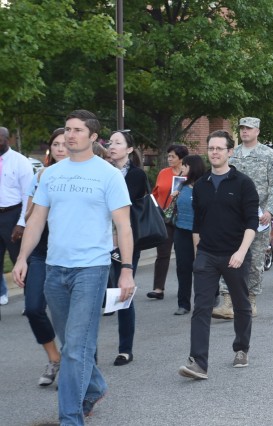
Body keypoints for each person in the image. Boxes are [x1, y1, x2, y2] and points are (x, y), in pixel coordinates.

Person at [13, 110, 135, 423]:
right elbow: (37, 219)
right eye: (67, 129)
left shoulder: (108, 175)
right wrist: (23, 257)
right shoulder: (50, 175)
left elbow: (123, 226)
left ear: (94, 137)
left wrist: (126, 269)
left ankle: (70, 417)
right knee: (72, 346)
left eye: (78, 130)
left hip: (91, 270)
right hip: (55, 269)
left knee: (77, 347)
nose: (70, 135)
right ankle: (94, 387)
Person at [178, 130, 258, 379]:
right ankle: (198, 363)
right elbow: (197, 225)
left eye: (219, 148)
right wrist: (197, 255)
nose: (214, 152)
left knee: (241, 304)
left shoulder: (243, 183)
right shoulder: (200, 185)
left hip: (235, 254)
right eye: (211, 148)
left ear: (230, 152)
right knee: (201, 307)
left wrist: (241, 252)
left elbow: (251, 223)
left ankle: (241, 348)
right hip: (207, 255)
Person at [212, 117, 273, 319]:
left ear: (257, 131)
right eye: (242, 128)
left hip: (258, 216)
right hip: (232, 216)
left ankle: (250, 300)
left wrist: (270, 210)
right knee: (228, 255)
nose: (245, 132)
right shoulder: (232, 155)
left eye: (249, 128)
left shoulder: (268, 155)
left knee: (253, 259)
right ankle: (227, 302)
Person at [18, 128, 67, 386]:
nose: (60, 148)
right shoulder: (41, 176)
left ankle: (78, 363)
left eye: (64, 144)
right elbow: (28, 217)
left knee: (69, 313)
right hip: (41, 251)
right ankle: (54, 357)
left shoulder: (81, 176)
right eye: (55, 144)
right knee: (34, 308)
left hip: (70, 254)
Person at [107, 130, 149, 366]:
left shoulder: (135, 175)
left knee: (122, 292)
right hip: (99, 239)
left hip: (125, 238)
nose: (112, 146)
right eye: (110, 142)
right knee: (102, 292)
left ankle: (125, 349)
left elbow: (121, 206)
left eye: (118, 142)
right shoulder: (101, 171)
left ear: (130, 149)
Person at [147, 144, 189, 300]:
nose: (169, 159)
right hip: (165, 217)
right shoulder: (163, 173)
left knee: (183, 255)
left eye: (172, 156)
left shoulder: (188, 174)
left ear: (181, 158)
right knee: (162, 253)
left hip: (183, 217)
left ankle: (184, 289)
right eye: (168, 156)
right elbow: (155, 193)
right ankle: (158, 288)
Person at [0, 126, 33, 306]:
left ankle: (31, 297)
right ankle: (1, 292)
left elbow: (27, 196)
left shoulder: (20, 162)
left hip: (13, 214)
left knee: (19, 258)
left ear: (8, 140)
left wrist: (21, 223)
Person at [172, 154, 206, 315]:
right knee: (183, 267)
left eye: (184, 165)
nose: (182, 168)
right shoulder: (181, 185)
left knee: (203, 267)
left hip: (202, 232)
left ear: (192, 167)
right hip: (181, 230)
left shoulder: (206, 185)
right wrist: (173, 198)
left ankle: (208, 297)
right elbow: (172, 207)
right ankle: (183, 303)